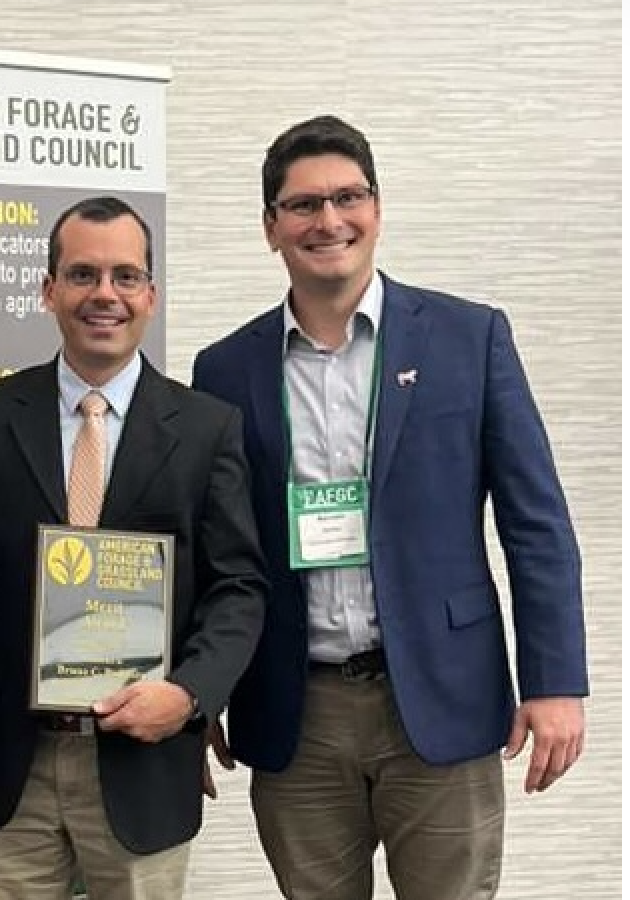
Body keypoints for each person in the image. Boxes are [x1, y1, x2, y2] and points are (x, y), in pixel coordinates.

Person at [192, 115, 588, 900]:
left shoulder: (467, 338)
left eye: (348, 197)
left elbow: (536, 524)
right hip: (294, 709)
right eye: (303, 205)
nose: (328, 220)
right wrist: (197, 687)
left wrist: (555, 681)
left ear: (377, 207)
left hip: (441, 699)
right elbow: (210, 545)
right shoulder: (225, 368)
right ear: (271, 227)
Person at [0, 195, 267, 900]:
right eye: (83, 274)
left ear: (150, 295)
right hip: (11, 766)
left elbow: (239, 588)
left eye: (125, 276)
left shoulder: (208, 427)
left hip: (143, 761)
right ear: (49, 289)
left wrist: (188, 697)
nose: (104, 295)